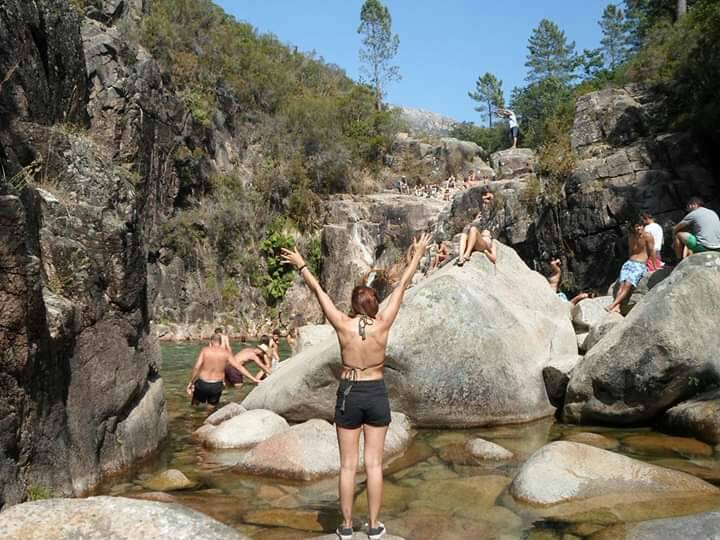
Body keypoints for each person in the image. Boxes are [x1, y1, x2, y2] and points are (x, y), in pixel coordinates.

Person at [280, 233, 431, 540]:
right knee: (374, 465)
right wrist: (417, 253)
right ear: (375, 305)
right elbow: (402, 285)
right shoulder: (384, 322)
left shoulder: (341, 324)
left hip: (349, 394)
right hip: (376, 393)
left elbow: (318, 290)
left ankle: (346, 527)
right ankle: (375, 528)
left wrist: (302, 265)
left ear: (352, 305)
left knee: (348, 467)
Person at [186, 334, 263, 408]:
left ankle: (193, 418)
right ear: (220, 343)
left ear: (211, 342)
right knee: (210, 408)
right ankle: (206, 417)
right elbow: (239, 367)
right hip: (216, 385)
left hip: (203, 383)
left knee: (195, 405)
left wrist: (191, 382)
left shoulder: (205, 350)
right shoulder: (226, 353)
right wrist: (254, 379)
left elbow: (196, 367)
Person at [607, 219, 657, 313]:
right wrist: (629, 262)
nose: (638, 228)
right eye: (636, 226)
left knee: (627, 285)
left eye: (640, 226)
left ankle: (613, 305)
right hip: (629, 263)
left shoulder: (648, 236)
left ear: (643, 226)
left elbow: (652, 251)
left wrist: (654, 266)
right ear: (633, 228)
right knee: (621, 285)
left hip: (639, 265)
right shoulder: (631, 237)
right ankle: (617, 306)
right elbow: (630, 252)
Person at [457, 188, 496, 266]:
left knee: (473, 229)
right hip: (476, 241)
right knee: (466, 229)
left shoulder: (493, 241)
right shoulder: (481, 212)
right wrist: (474, 222)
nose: (485, 198)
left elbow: (494, 259)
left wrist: (486, 252)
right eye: (484, 195)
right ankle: (461, 256)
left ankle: (467, 253)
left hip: (484, 245)